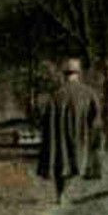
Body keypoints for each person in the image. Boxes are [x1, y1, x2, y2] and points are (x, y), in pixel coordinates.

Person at [35, 58, 104, 204]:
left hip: (59, 137)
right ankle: (68, 191)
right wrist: (94, 133)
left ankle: (60, 194)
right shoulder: (88, 93)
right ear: (78, 74)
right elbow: (96, 116)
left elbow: (44, 119)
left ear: (64, 74)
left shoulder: (55, 95)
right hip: (80, 135)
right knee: (76, 162)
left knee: (61, 164)